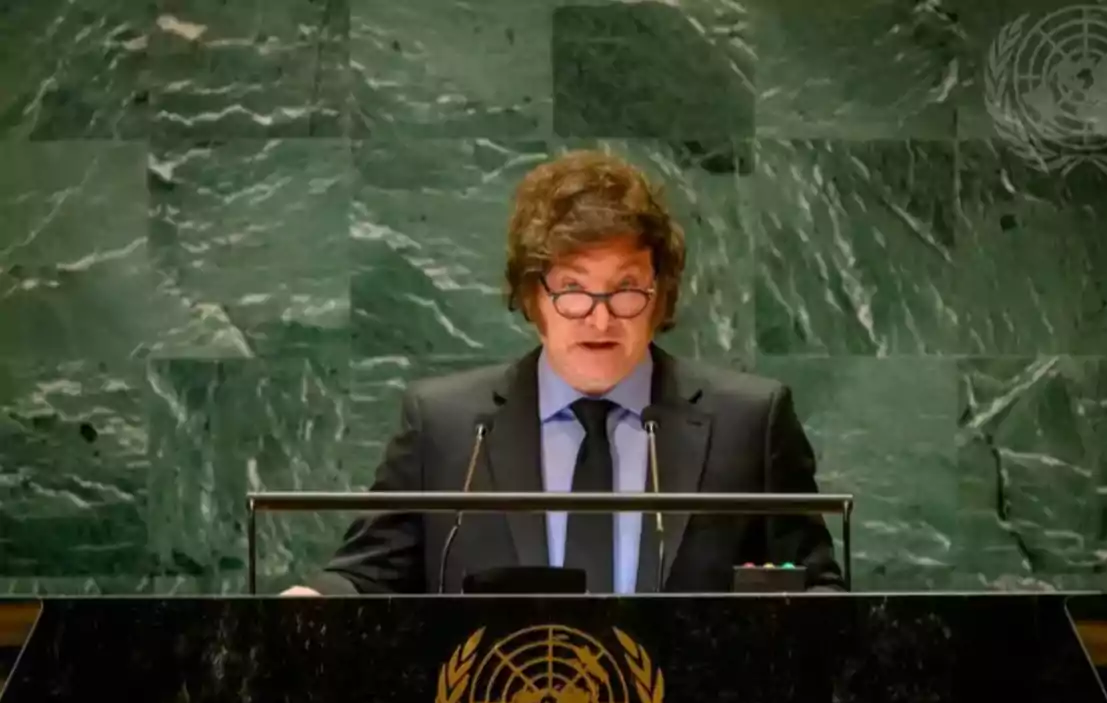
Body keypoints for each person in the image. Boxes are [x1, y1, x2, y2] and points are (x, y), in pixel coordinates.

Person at [284, 149, 842, 596]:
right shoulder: (447, 426)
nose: (599, 318)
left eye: (625, 289)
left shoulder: (749, 422)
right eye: (572, 289)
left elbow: (816, 587)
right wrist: (314, 602)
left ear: (660, 294)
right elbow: (367, 575)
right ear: (532, 296)